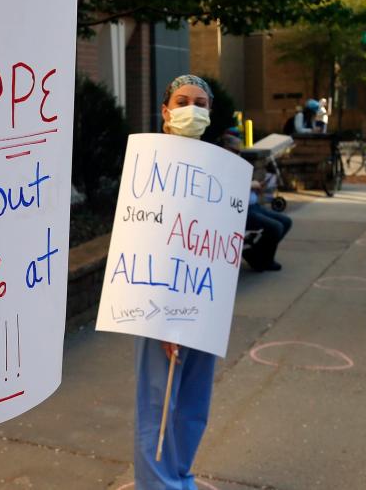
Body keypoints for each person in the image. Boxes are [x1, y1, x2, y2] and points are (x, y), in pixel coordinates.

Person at [134, 75, 226, 490]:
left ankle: (180, 474)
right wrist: (165, 319)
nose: (192, 107)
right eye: (183, 100)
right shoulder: (151, 164)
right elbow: (144, 240)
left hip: (205, 300)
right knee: (159, 403)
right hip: (161, 305)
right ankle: (157, 484)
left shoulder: (218, 166)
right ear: (166, 110)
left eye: (200, 102)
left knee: (192, 402)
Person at [222, 135, 291, 272]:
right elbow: (227, 190)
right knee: (276, 227)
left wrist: (256, 188)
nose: (238, 154)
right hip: (239, 211)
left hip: (253, 205)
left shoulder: (237, 164)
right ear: (224, 149)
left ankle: (257, 255)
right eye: (235, 151)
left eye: (240, 151)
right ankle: (262, 259)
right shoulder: (221, 166)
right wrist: (249, 185)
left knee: (286, 221)